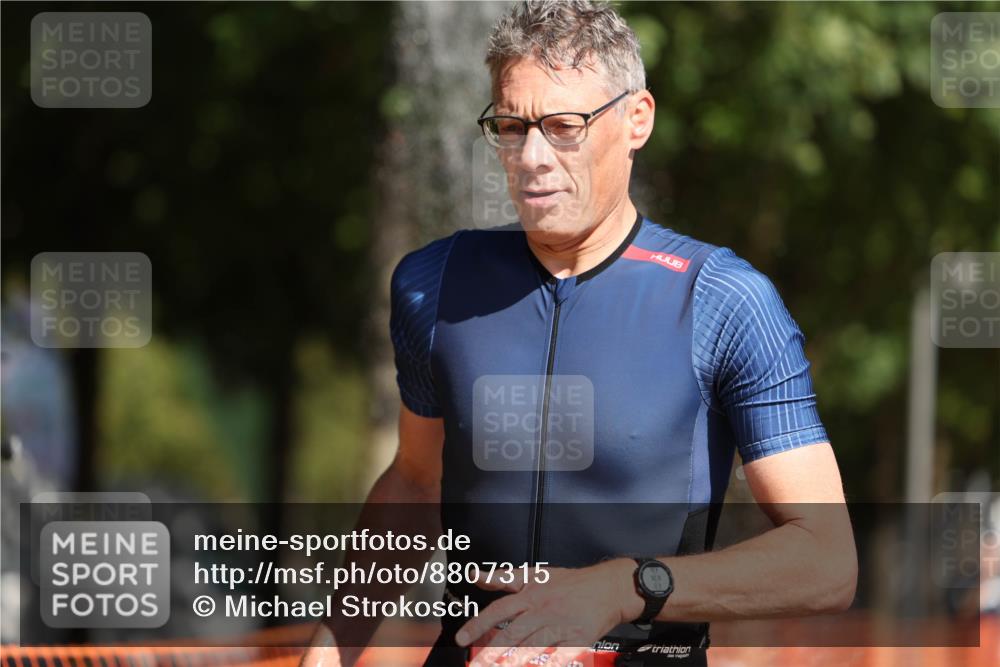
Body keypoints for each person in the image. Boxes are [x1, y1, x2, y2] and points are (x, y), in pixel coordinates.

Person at [301, 2, 857, 666]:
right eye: (511, 126)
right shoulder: (432, 284)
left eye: (564, 126)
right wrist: (331, 649)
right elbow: (415, 483)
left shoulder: (724, 301)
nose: (532, 157)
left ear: (636, 120)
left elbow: (826, 557)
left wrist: (622, 589)